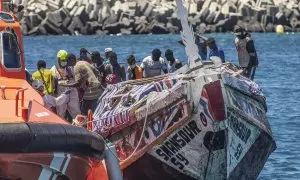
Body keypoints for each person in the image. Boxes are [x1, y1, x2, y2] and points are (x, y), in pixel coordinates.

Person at [50, 50, 81, 119]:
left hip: (72, 91)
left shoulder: (70, 67)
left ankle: (79, 125)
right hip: (61, 93)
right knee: (61, 113)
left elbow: (76, 78)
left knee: (76, 111)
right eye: (62, 60)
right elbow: (52, 85)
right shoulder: (53, 70)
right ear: (58, 59)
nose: (64, 62)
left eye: (65, 60)